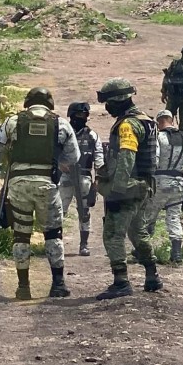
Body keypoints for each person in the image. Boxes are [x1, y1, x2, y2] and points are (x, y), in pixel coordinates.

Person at [0, 87, 80, 300]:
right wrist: (57, 162)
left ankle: (23, 287)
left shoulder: (12, 122)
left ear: (27, 102)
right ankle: (58, 284)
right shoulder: (61, 123)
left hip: (18, 183)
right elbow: (74, 156)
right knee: (52, 233)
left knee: (21, 235)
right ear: (49, 103)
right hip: (46, 184)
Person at [95, 78, 163, 300]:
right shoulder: (147, 121)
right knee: (137, 232)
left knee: (113, 234)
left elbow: (127, 156)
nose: (107, 108)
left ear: (118, 101)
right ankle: (152, 275)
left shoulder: (127, 125)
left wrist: (117, 188)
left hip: (129, 188)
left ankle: (121, 281)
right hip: (144, 187)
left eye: (108, 102)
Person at [143, 110, 183, 264]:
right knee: (174, 218)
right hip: (178, 183)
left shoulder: (158, 137)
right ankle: (176, 253)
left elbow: (154, 160)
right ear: (172, 120)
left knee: (149, 217)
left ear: (159, 122)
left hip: (160, 182)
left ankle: (143, 249)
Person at [61, 102, 105, 257]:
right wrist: (60, 165)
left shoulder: (92, 135)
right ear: (72, 115)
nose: (82, 118)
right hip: (65, 177)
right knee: (60, 210)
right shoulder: (63, 132)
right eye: (79, 115)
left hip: (84, 177)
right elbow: (54, 152)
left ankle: (84, 244)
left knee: (84, 212)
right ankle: (57, 243)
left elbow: (99, 157)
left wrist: (98, 179)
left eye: (85, 115)